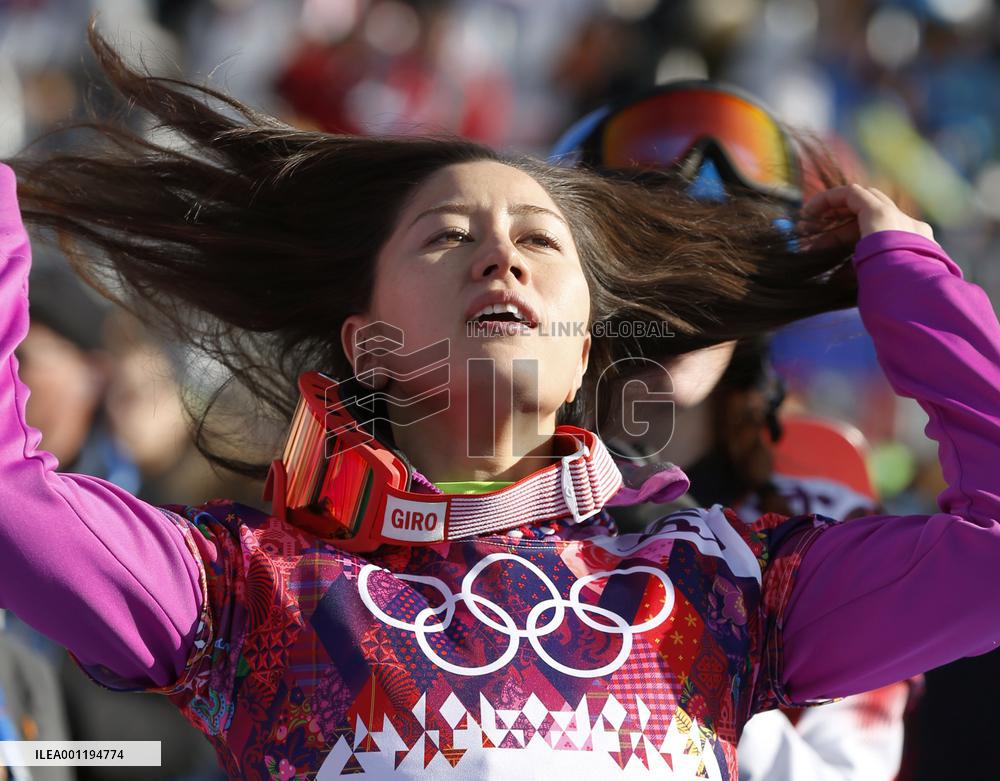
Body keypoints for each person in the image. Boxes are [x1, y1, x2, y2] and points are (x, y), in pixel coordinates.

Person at [1, 25, 998, 781]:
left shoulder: (727, 586)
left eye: (540, 240)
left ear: (585, 352)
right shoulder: (244, 591)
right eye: (445, 234)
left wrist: (908, 270)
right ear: (369, 339)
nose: (500, 256)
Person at [553, 81, 914, 781]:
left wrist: (688, 646)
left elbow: (848, 769)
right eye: (640, 256)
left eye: (717, 267)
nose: (678, 298)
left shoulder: (820, 483)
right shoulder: (477, 474)